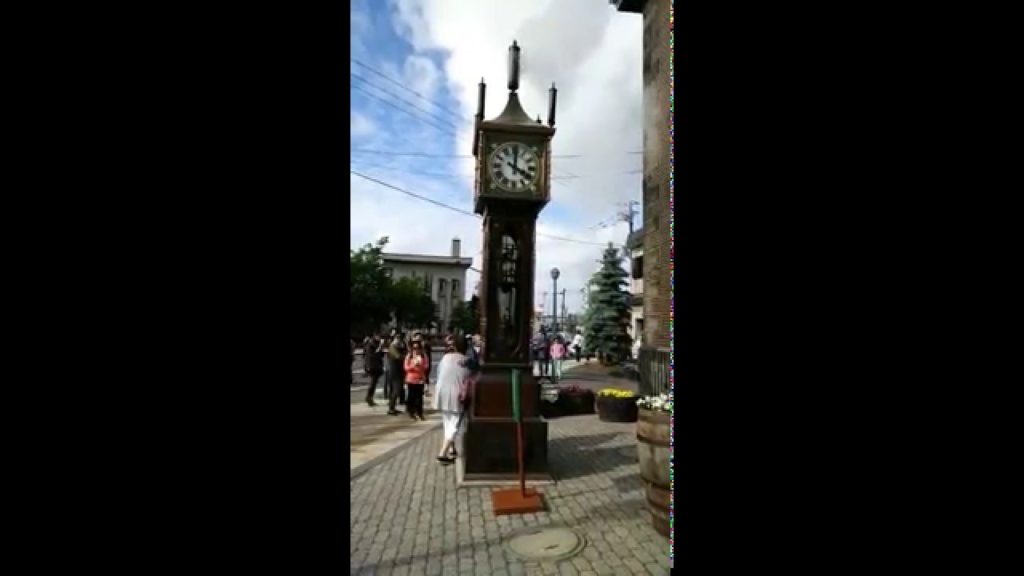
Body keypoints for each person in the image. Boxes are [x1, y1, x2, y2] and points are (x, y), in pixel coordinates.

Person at [433, 336, 473, 464]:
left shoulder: (445, 358)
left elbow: (439, 373)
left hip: (442, 392)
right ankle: (442, 452)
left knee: (447, 421)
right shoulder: (467, 361)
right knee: (455, 424)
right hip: (456, 394)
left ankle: (452, 449)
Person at [403, 339, 430, 421]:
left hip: (420, 379)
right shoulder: (409, 355)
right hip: (411, 379)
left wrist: (420, 366)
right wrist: (413, 365)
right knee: (411, 396)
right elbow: (406, 367)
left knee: (419, 397)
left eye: (418, 348)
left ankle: (420, 412)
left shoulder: (423, 356)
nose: (416, 349)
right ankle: (411, 412)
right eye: (414, 348)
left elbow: (426, 366)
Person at [386, 331, 408, 415]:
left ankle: (393, 407)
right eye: (397, 338)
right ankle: (391, 408)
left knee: (397, 390)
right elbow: (398, 357)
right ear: (394, 339)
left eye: (400, 338)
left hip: (398, 371)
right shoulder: (392, 347)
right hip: (395, 372)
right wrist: (406, 356)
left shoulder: (398, 346)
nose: (399, 340)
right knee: (396, 390)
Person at [363, 333, 385, 406]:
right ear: (375, 336)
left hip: (377, 366)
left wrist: (381, 347)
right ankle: (369, 398)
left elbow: (381, 354)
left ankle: (369, 398)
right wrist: (380, 346)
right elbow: (373, 355)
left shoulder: (376, 343)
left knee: (374, 383)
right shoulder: (370, 344)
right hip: (372, 366)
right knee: (373, 382)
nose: (380, 338)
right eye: (378, 336)